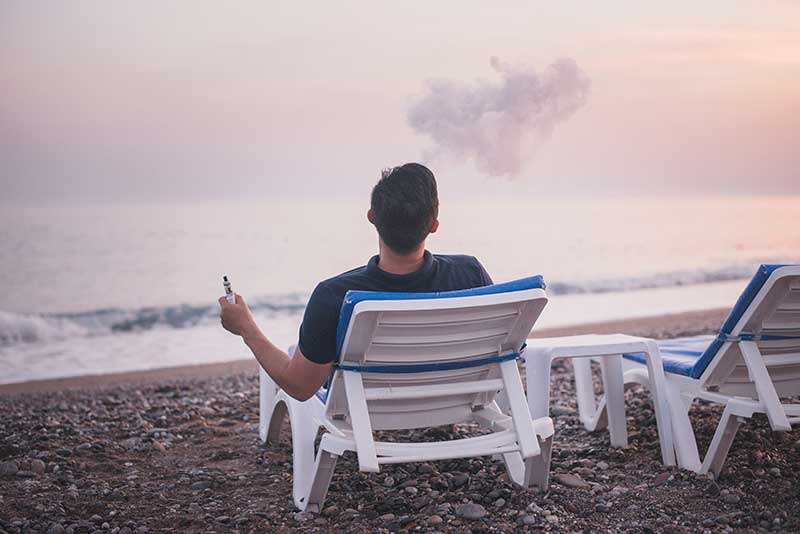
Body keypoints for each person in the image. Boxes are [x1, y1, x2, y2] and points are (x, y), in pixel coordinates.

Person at [219, 163, 493, 400]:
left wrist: (246, 328)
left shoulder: (334, 296)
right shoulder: (469, 274)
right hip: (452, 400)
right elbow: (501, 349)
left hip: (366, 410)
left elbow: (300, 386)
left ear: (372, 217)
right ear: (434, 224)